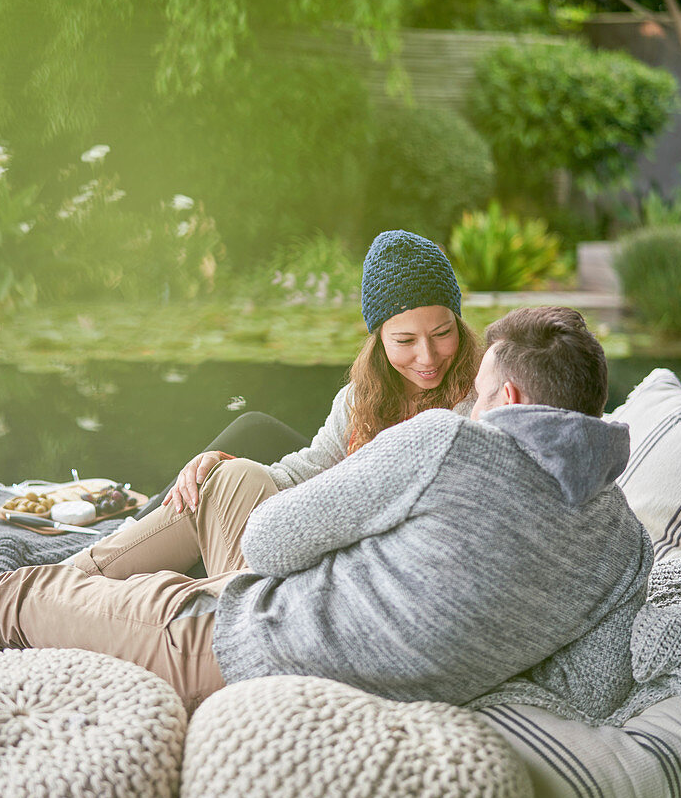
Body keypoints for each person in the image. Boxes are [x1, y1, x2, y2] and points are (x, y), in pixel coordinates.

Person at [0, 305, 652, 722]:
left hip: (242, 651)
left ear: (513, 399)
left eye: (484, 388)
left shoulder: (448, 443)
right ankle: (104, 572)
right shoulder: (626, 542)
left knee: (28, 596)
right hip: (350, 671)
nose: (470, 397)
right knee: (226, 485)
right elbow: (593, 688)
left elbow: (267, 541)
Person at [63, 228, 481, 579]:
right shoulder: (359, 397)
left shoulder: (478, 400)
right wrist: (226, 474)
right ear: (378, 340)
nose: (427, 357)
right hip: (320, 528)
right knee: (221, 472)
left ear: (458, 323)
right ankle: (69, 576)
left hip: (363, 561)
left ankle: (79, 576)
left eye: (443, 333)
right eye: (405, 341)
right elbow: (311, 467)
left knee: (243, 457)